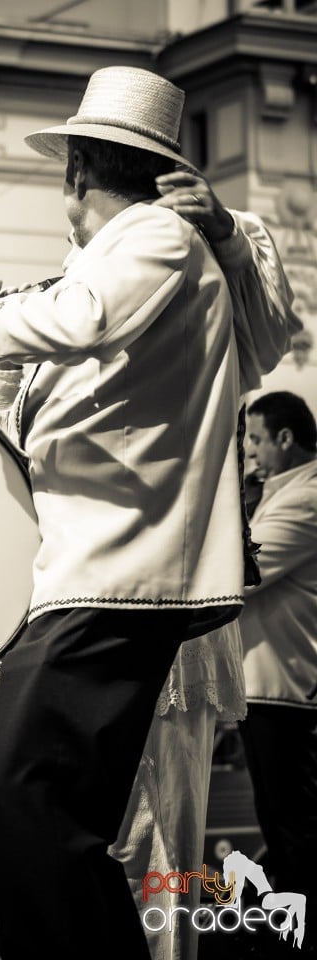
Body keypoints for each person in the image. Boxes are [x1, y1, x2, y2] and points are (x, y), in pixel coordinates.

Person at [0, 64, 247, 960]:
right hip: (104, 570)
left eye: (69, 175)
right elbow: (73, 353)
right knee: (54, 813)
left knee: (29, 797)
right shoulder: (140, 254)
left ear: (83, 172)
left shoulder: (154, 236)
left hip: (118, 573)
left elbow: (83, 315)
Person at [107, 176, 300, 960]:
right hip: (117, 606)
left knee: (161, 835)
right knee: (129, 830)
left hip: (169, 617)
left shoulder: (213, 311)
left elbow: (271, 322)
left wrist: (224, 230)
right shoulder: (114, 289)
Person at [239, 390, 317, 952]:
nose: (249, 453)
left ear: (285, 439)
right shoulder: (282, 491)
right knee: (281, 823)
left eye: (256, 439)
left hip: (284, 688)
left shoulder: (307, 497)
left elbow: (244, 572)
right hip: (268, 687)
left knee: (293, 832)